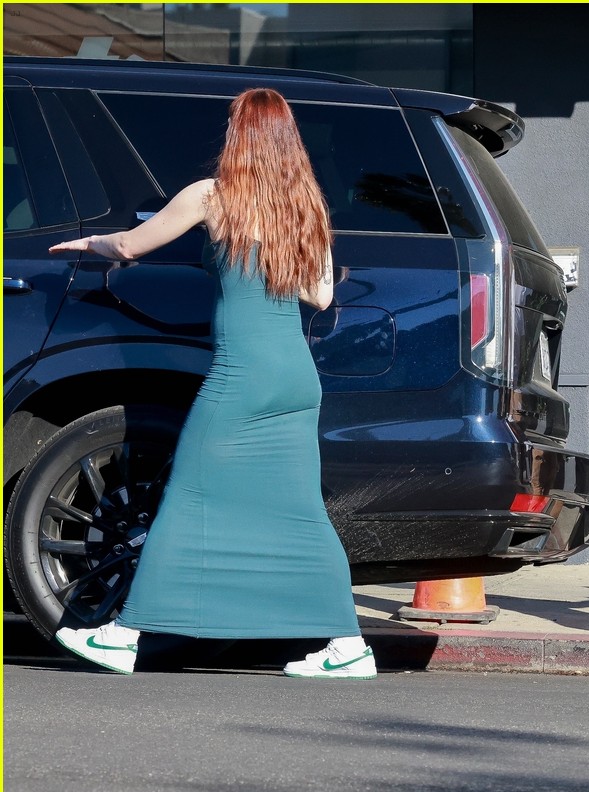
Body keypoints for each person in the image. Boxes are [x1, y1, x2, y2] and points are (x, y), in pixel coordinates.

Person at [49, 88, 376, 680]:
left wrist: (89, 243)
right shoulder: (306, 206)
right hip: (295, 379)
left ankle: (125, 635)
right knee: (301, 513)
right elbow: (321, 295)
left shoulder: (213, 196)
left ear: (238, 137)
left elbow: (129, 245)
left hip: (242, 375)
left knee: (190, 494)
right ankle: (348, 646)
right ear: (289, 142)